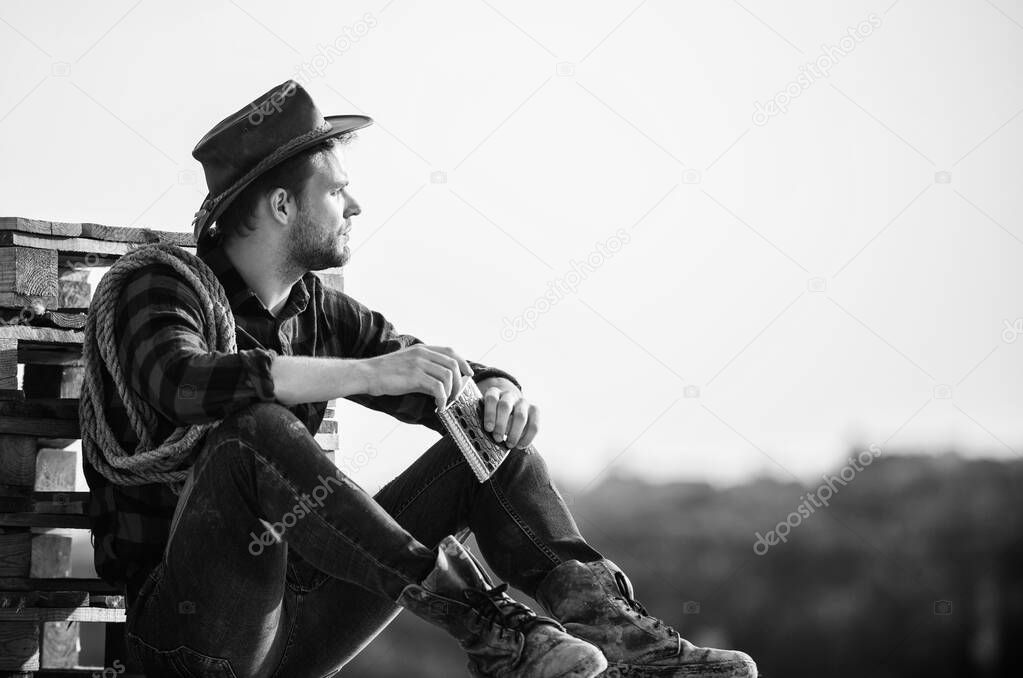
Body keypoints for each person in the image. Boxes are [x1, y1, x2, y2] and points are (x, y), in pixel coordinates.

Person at [83, 79, 758, 678]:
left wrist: (497, 390)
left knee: (484, 443)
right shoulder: (161, 287)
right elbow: (181, 382)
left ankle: (620, 635)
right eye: (338, 191)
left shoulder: (319, 312)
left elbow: (426, 374)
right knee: (251, 431)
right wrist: (366, 373)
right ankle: (486, 626)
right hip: (189, 637)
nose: (355, 206)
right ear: (283, 206)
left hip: (302, 626)